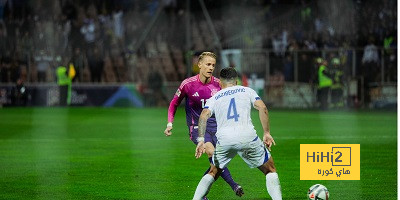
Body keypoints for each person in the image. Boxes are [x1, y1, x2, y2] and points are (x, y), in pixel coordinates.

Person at [193, 67, 282, 200]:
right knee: (270, 169)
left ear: (220, 83)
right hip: (248, 137)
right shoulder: (247, 91)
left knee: (213, 172)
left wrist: (201, 140)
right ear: (236, 81)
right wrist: (266, 133)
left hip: (225, 140)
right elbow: (262, 107)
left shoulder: (215, 97)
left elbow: (203, 116)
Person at [164, 52, 243, 198]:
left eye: (213, 65)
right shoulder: (187, 84)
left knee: (217, 163)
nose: (211, 67)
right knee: (213, 154)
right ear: (199, 65)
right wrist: (170, 123)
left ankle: (201, 195)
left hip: (218, 129)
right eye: (208, 64)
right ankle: (234, 185)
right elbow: (174, 103)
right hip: (197, 129)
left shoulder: (219, 84)